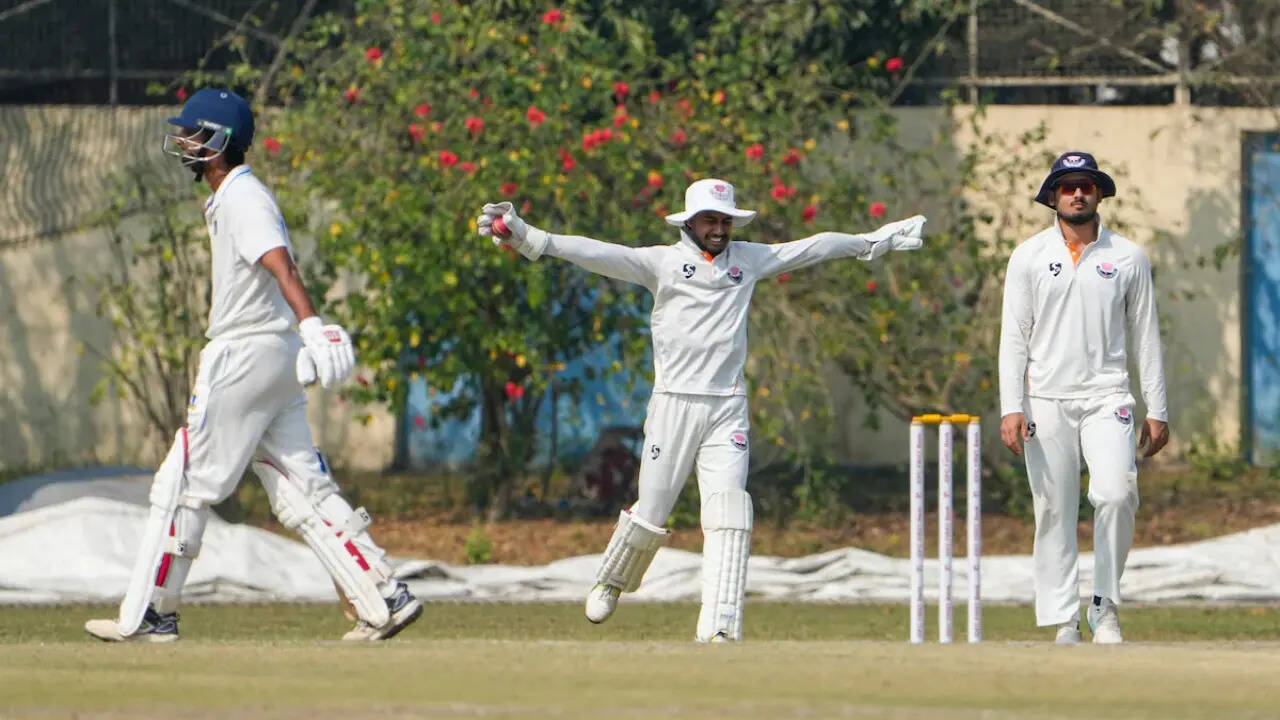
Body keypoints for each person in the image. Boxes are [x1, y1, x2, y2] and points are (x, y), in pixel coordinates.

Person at [477, 179, 926, 641]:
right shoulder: (662, 263)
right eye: (711, 219)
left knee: (729, 512)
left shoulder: (748, 261)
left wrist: (872, 242)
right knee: (651, 513)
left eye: (725, 220)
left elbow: (811, 247)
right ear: (689, 221)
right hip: (674, 403)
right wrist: (529, 237)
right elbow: (598, 252)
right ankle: (612, 581)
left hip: (727, 406)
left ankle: (720, 627)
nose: (719, 228)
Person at [85, 88, 422, 642]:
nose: (184, 141)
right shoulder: (232, 195)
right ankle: (383, 596)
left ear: (216, 142)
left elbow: (281, 265)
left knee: (185, 482)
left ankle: (152, 613)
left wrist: (312, 323)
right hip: (273, 359)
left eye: (193, 133)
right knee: (300, 488)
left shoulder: (243, 196)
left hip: (243, 355)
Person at [998, 151, 1169, 645]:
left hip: (1107, 395)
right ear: (1052, 195)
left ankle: (1105, 605)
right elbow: (1014, 336)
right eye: (1068, 185)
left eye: (1086, 186)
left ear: (1099, 195)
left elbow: (1146, 336)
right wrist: (1012, 405)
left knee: (1116, 493)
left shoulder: (1127, 257)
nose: (1078, 193)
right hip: (1045, 397)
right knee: (1054, 506)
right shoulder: (1028, 256)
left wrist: (1158, 408)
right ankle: (1063, 618)